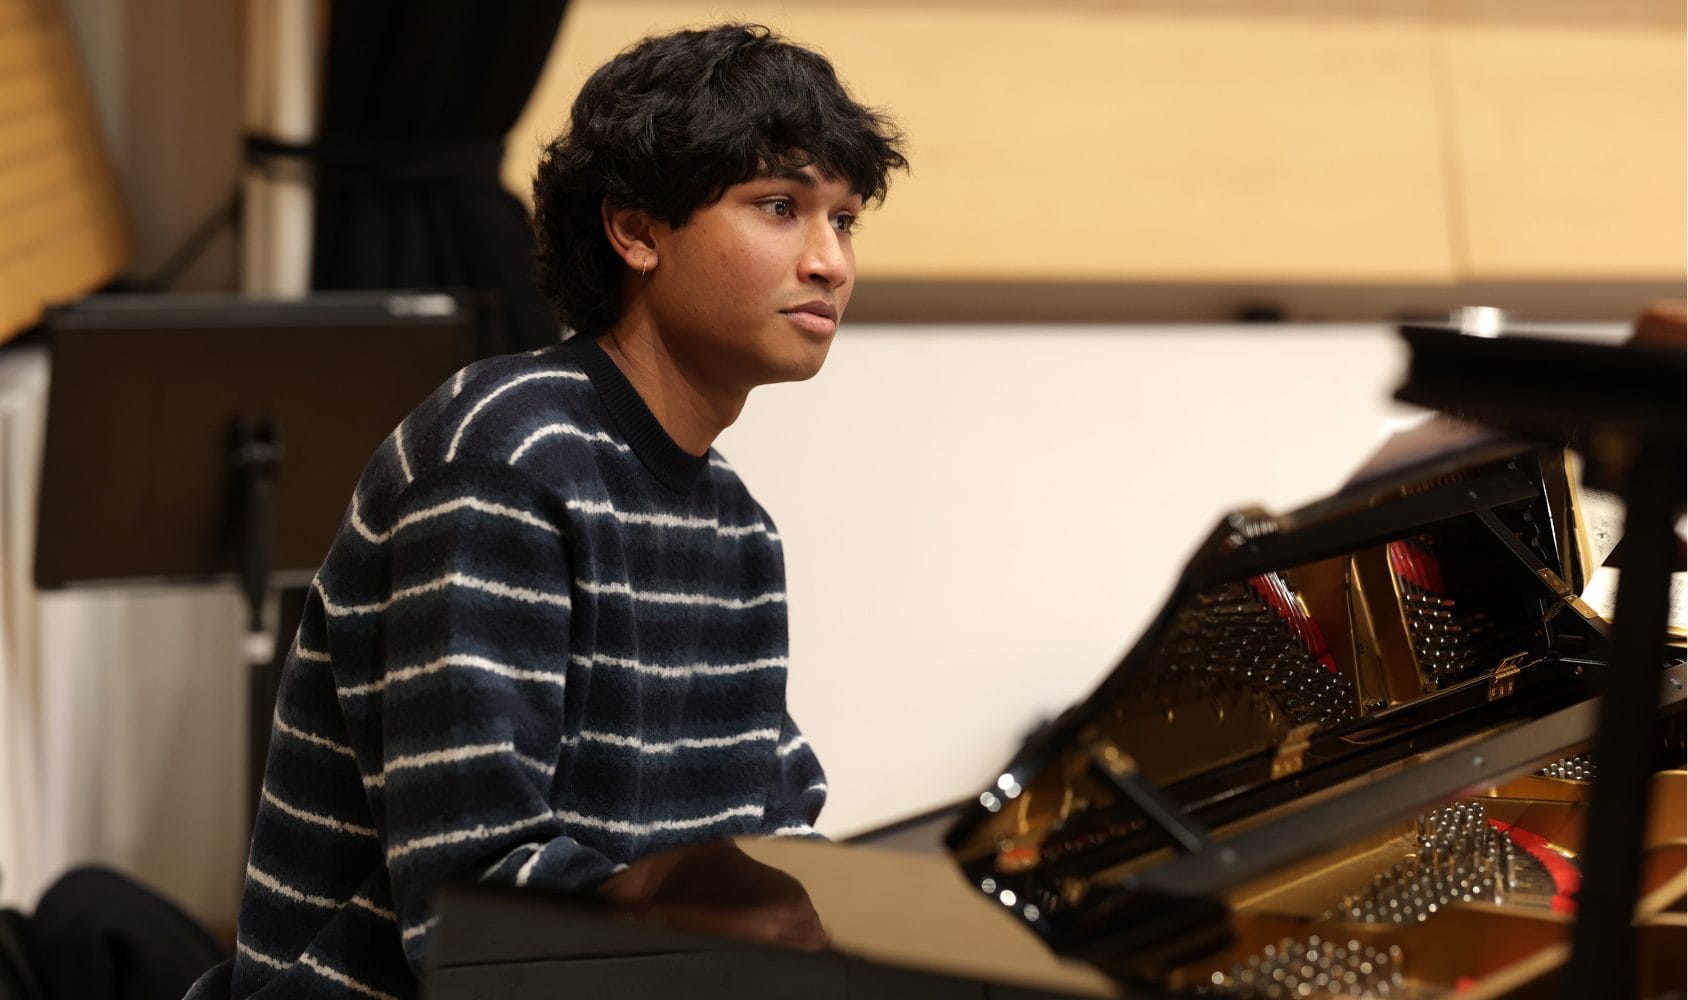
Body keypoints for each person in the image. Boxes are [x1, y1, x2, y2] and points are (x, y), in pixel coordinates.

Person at [183, 22, 906, 1000]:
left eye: (844, 220)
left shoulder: (737, 527)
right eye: (780, 207)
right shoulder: (502, 459)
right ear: (635, 231)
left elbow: (766, 841)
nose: (830, 261)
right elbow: (473, 908)